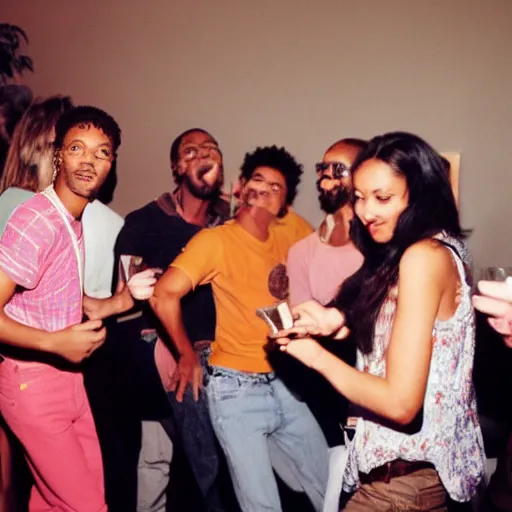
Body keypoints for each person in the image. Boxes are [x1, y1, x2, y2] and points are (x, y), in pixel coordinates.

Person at [274, 132, 486, 510]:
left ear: (420, 193)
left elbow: (401, 403)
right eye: (358, 196)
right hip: (410, 479)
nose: (365, 211)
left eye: (382, 198)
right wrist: (333, 318)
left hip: (400, 487)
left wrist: (315, 356)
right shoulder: (428, 249)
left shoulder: (422, 257)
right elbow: (382, 310)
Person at [151, 145, 329, 512]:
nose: (264, 190)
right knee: (260, 505)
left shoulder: (293, 230)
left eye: (275, 188)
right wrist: (186, 354)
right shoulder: (215, 241)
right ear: (240, 187)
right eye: (257, 181)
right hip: (235, 392)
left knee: (331, 487)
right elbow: (163, 295)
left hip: (287, 382)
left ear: (285, 205)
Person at [0, 105, 143, 511]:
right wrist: (54, 342)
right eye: (77, 148)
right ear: (58, 154)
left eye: (102, 152)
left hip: (68, 382)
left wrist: (122, 299)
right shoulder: (38, 221)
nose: (89, 160)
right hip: (32, 383)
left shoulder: (71, 219)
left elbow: (54, 294)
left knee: (55, 502)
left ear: (112, 163)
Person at [112, 127, 231, 512]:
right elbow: (126, 302)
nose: (204, 155)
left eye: (211, 149)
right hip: (163, 351)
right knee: (170, 458)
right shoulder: (143, 222)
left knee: (182, 459)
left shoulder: (230, 225)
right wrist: (178, 352)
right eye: (192, 151)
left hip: (225, 354)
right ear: (177, 167)